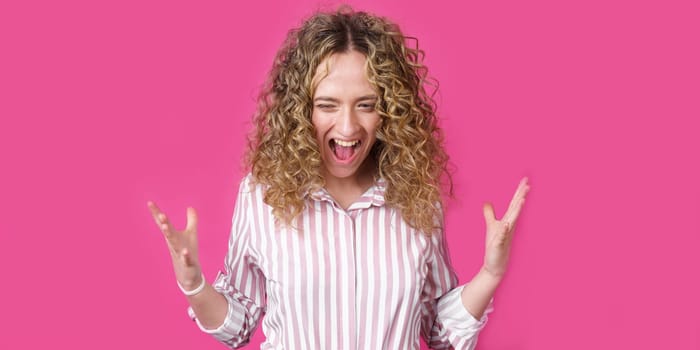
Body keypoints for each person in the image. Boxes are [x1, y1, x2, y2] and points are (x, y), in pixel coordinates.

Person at [147, 5, 529, 350]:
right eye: (327, 105)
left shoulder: (417, 198)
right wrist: (194, 284)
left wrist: (491, 273)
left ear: (391, 111)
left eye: (367, 105)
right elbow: (239, 325)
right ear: (300, 111)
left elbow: (439, 333)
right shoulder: (262, 194)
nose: (347, 126)